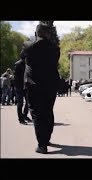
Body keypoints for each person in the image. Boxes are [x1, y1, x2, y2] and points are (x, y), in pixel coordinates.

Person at [23, 23, 60, 154]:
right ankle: (46, 139)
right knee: (48, 112)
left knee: (37, 114)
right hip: (50, 85)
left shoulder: (28, 46)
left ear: (37, 33)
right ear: (48, 33)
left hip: (33, 85)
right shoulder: (55, 49)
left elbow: (23, 58)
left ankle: (42, 145)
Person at [14, 46, 32, 125]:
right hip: (20, 86)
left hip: (24, 86)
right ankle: (21, 118)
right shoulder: (19, 64)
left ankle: (24, 116)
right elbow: (17, 77)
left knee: (27, 102)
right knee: (20, 103)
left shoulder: (26, 64)